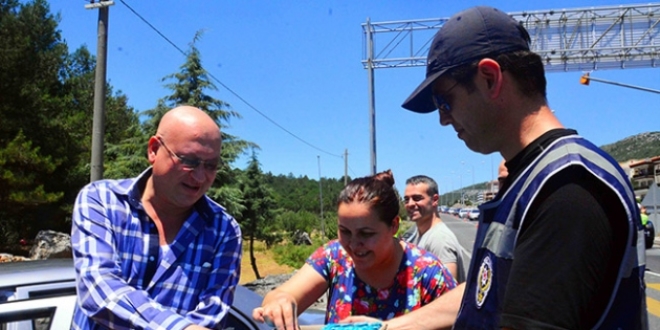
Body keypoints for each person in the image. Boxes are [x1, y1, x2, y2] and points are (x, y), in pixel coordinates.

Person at [345, 5, 647, 329]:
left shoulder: (566, 188)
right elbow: (482, 295)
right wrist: (388, 327)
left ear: (490, 78)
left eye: (445, 101)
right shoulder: (529, 180)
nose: (444, 119)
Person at [71, 106, 242, 330]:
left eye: (210, 166)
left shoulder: (224, 231)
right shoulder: (101, 201)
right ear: (154, 149)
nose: (200, 177)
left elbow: (212, 315)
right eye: (188, 160)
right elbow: (99, 291)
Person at [252, 170, 456, 329]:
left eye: (366, 234)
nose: (353, 244)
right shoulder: (335, 256)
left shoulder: (426, 271)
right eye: (344, 231)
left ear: (393, 226)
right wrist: (280, 303)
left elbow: (463, 316)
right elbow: (284, 294)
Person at [403, 175, 466, 283]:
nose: (410, 204)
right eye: (406, 199)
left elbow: (448, 292)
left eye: (417, 198)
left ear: (435, 200)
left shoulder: (440, 240)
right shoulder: (421, 235)